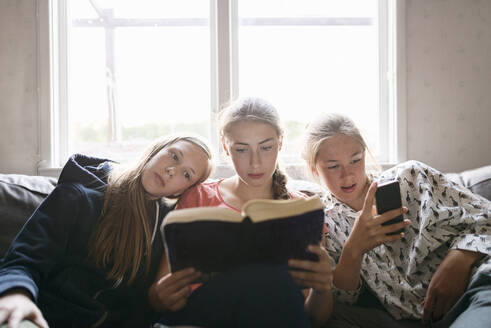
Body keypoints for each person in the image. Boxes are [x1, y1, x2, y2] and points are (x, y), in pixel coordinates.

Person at [150, 97, 334, 328]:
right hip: (203, 315)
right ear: (226, 147)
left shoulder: (302, 212)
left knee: (274, 282)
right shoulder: (198, 197)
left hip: (276, 316)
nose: (255, 163)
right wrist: (162, 295)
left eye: (266, 148)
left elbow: (315, 318)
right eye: (241, 149)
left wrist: (323, 287)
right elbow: (158, 297)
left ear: (280, 143)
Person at [0, 135, 213, 328]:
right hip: (49, 317)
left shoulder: (167, 227)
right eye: (174, 156)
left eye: (186, 174)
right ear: (156, 150)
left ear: (181, 191)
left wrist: (158, 300)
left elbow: (142, 304)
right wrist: (17, 294)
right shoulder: (78, 196)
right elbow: (23, 261)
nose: (171, 170)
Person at [301, 113, 491, 328]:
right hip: (416, 318)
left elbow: (485, 217)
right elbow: (344, 302)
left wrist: (458, 261)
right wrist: (353, 250)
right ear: (313, 167)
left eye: (355, 160)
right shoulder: (321, 222)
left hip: (477, 287)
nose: (348, 175)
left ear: (366, 154)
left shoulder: (412, 177)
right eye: (333, 166)